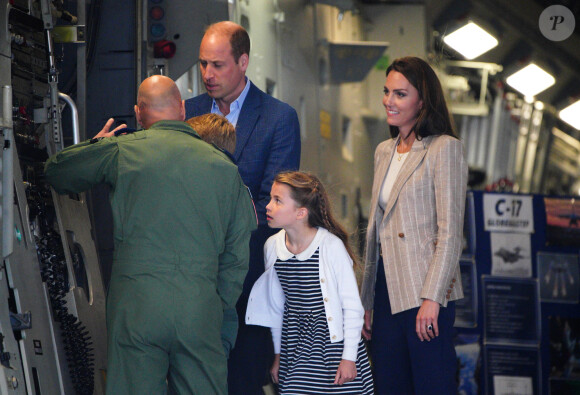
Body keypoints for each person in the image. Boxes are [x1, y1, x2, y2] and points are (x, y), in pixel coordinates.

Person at [44, 75, 257, 394]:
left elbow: (58, 173)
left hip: (137, 307)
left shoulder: (122, 150)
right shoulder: (226, 171)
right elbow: (237, 257)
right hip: (199, 308)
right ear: (182, 109)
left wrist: (99, 143)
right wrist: (215, 307)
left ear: (139, 113)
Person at [184, 21, 301, 393]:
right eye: (203, 64)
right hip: (191, 281)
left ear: (244, 61)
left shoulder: (278, 118)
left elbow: (273, 204)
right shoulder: (186, 113)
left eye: (217, 65)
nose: (208, 74)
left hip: (249, 281)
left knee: (242, 382)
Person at [360, 56, 468, 394]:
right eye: (386, 91)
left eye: (400, 94)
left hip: (425, 292)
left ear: (423, 100)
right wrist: (367, 302)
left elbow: (451, 234)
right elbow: (375, 232)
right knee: (389, 386)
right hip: (385, 291)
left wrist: (432, 299)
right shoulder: (383, 151)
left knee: (431, 386)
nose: (389, 101)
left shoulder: (443, 149)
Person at [246, 171, 374, 394]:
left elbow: (352, 307)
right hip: (294, 347)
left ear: (301, 212)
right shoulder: (272, 247)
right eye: (270, 199)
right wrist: (278, 354)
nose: (267, 206)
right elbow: (277, 308)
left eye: (277, 200)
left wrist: (349, 358)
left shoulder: (330, 246)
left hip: (332, 348)